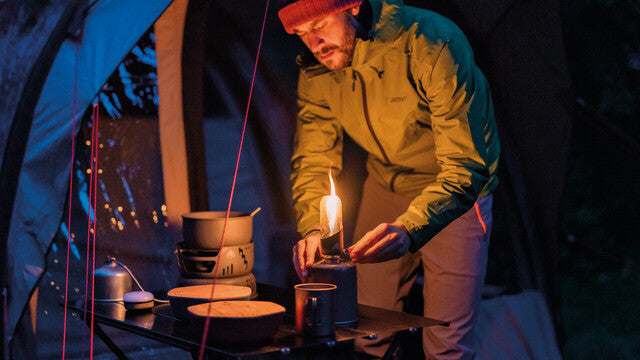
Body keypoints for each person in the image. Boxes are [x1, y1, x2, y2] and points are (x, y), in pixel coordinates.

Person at [278, 0, 499, 358]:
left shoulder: (430, 41)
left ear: (351, 7)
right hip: (384, 184)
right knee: (363, 330)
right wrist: (313, 228)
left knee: (446, 344)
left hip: (455, 194)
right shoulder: (316, 70)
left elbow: (465, 165)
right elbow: (313, 157)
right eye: (301, 34)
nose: (314, 44)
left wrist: (411, 228)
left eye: (319, 24)